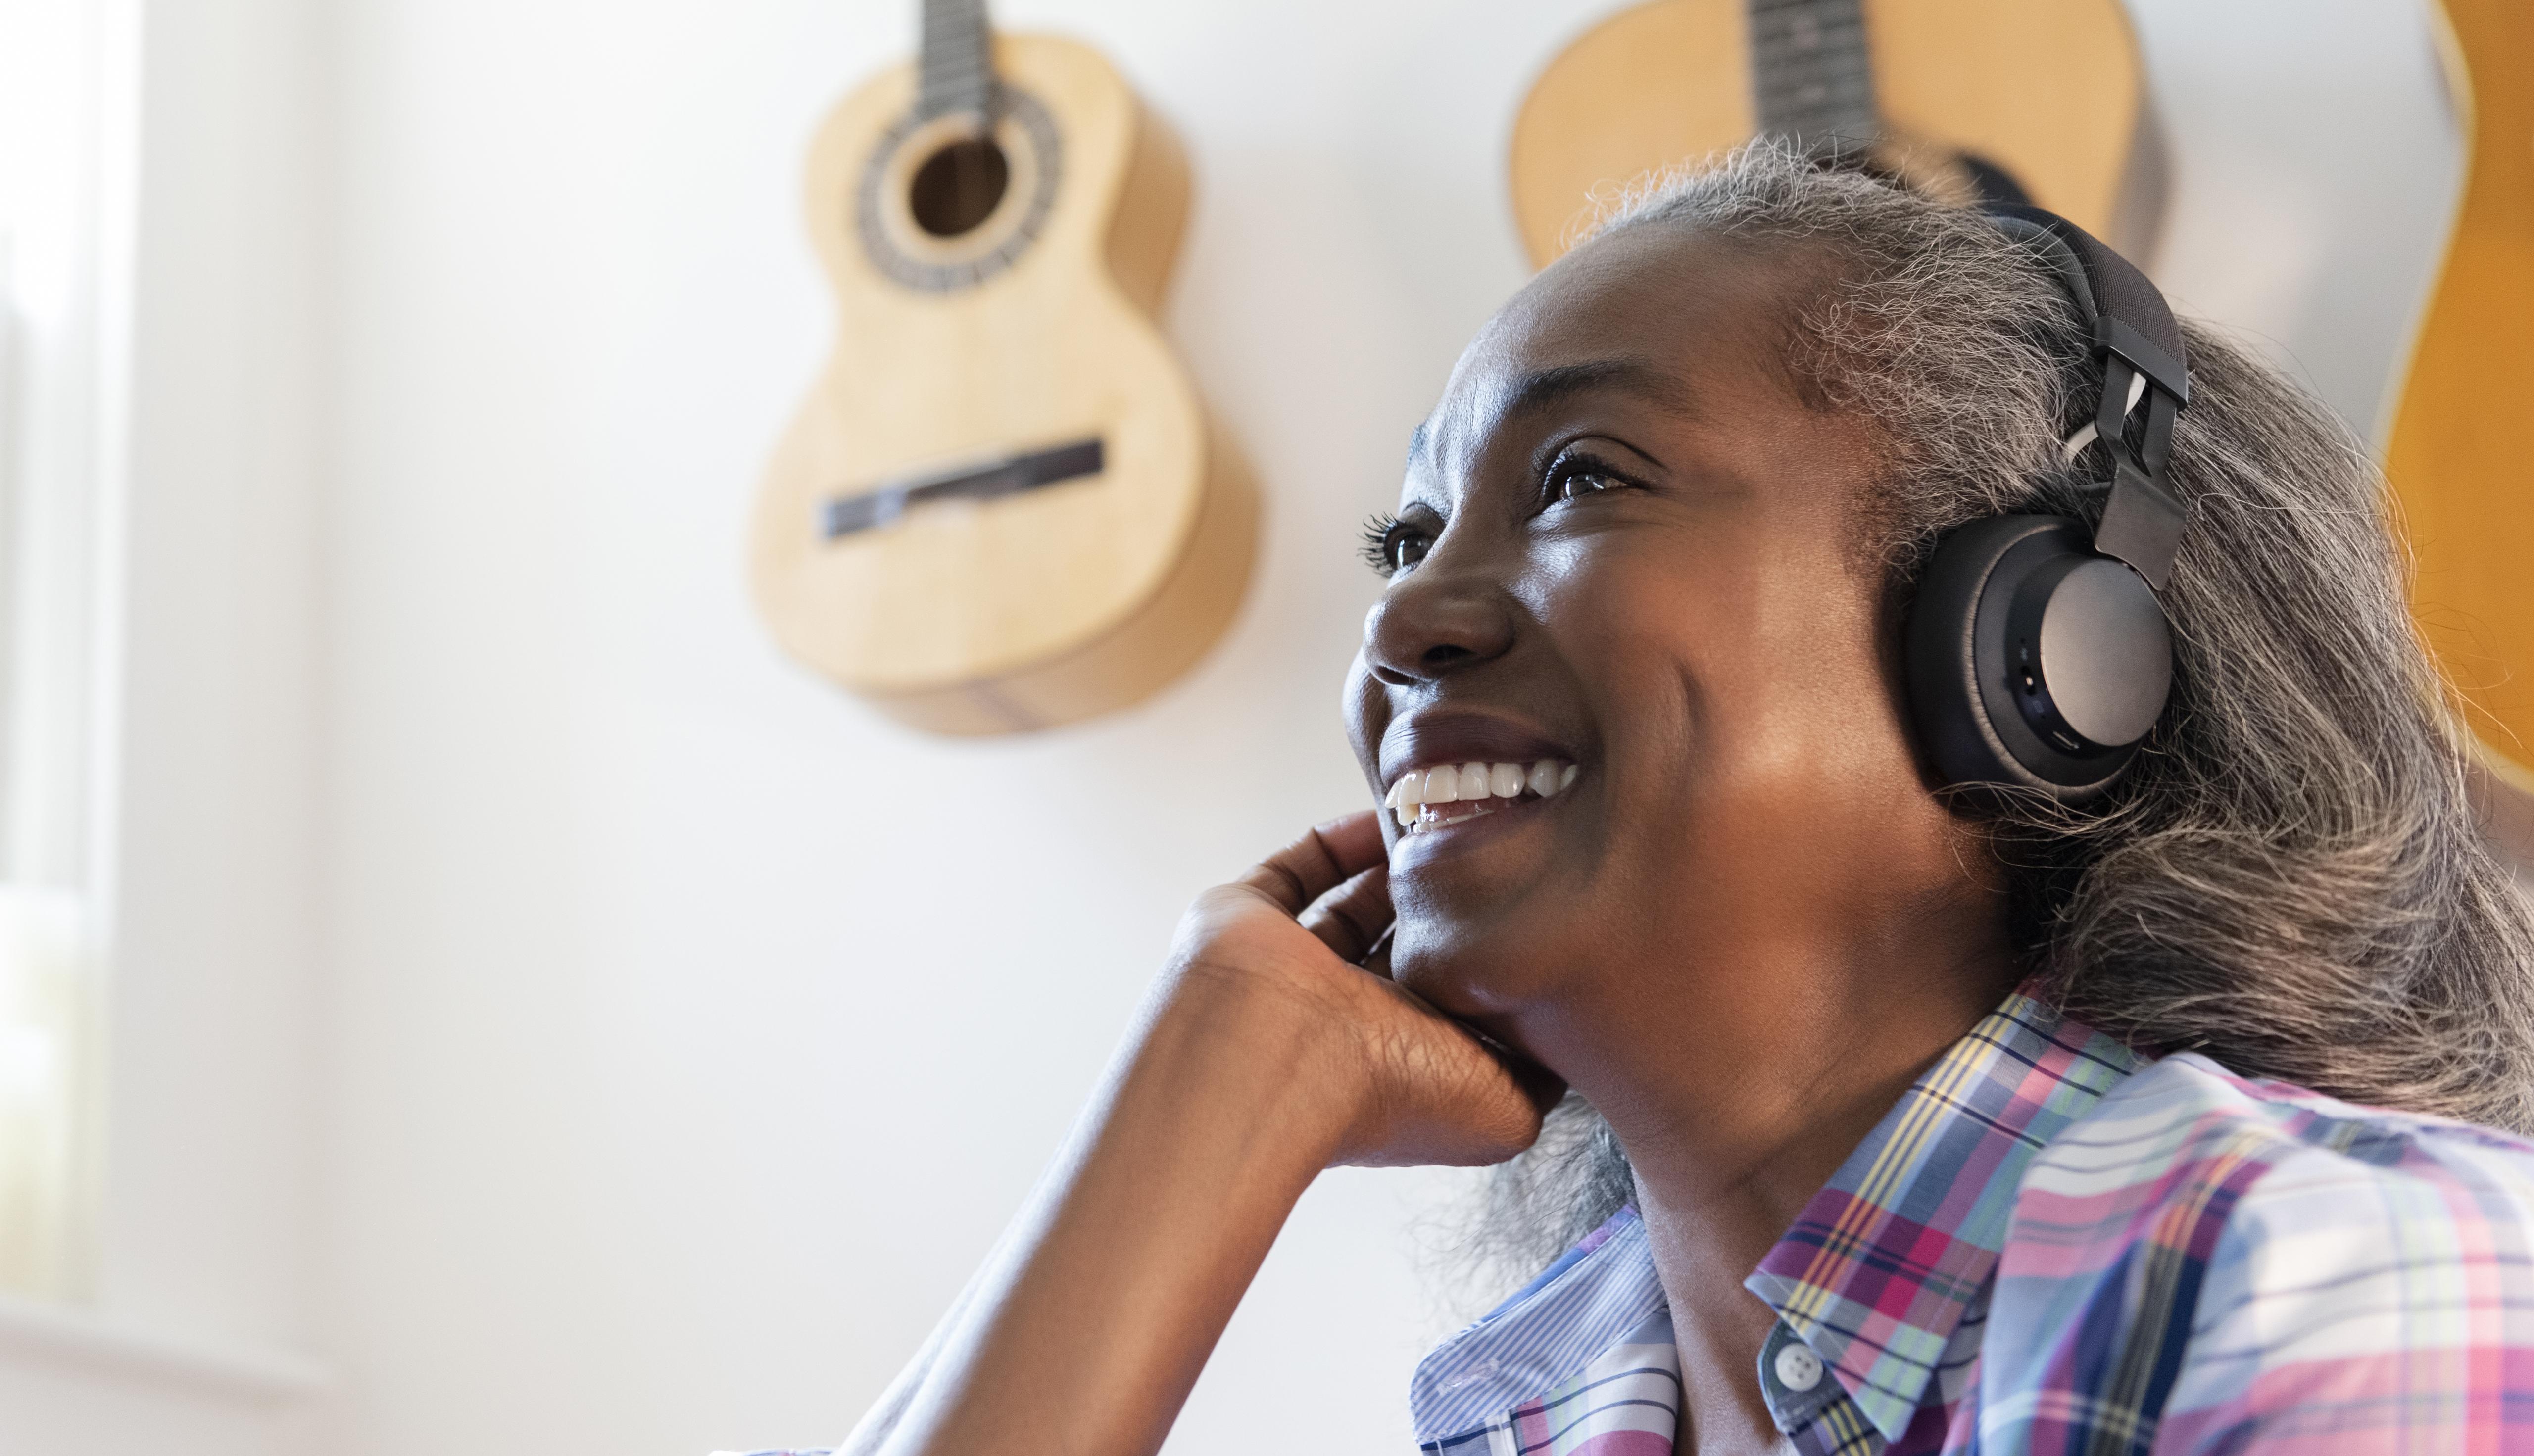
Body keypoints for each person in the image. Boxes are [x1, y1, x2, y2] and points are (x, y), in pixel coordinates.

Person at [801, 145, 2534, 1455]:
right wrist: (1205, 1092)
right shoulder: (1562, 1398)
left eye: (1579, 478)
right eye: (1403, 541)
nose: (1404, 619)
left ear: (2045, 652)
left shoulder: (2336, 1274)